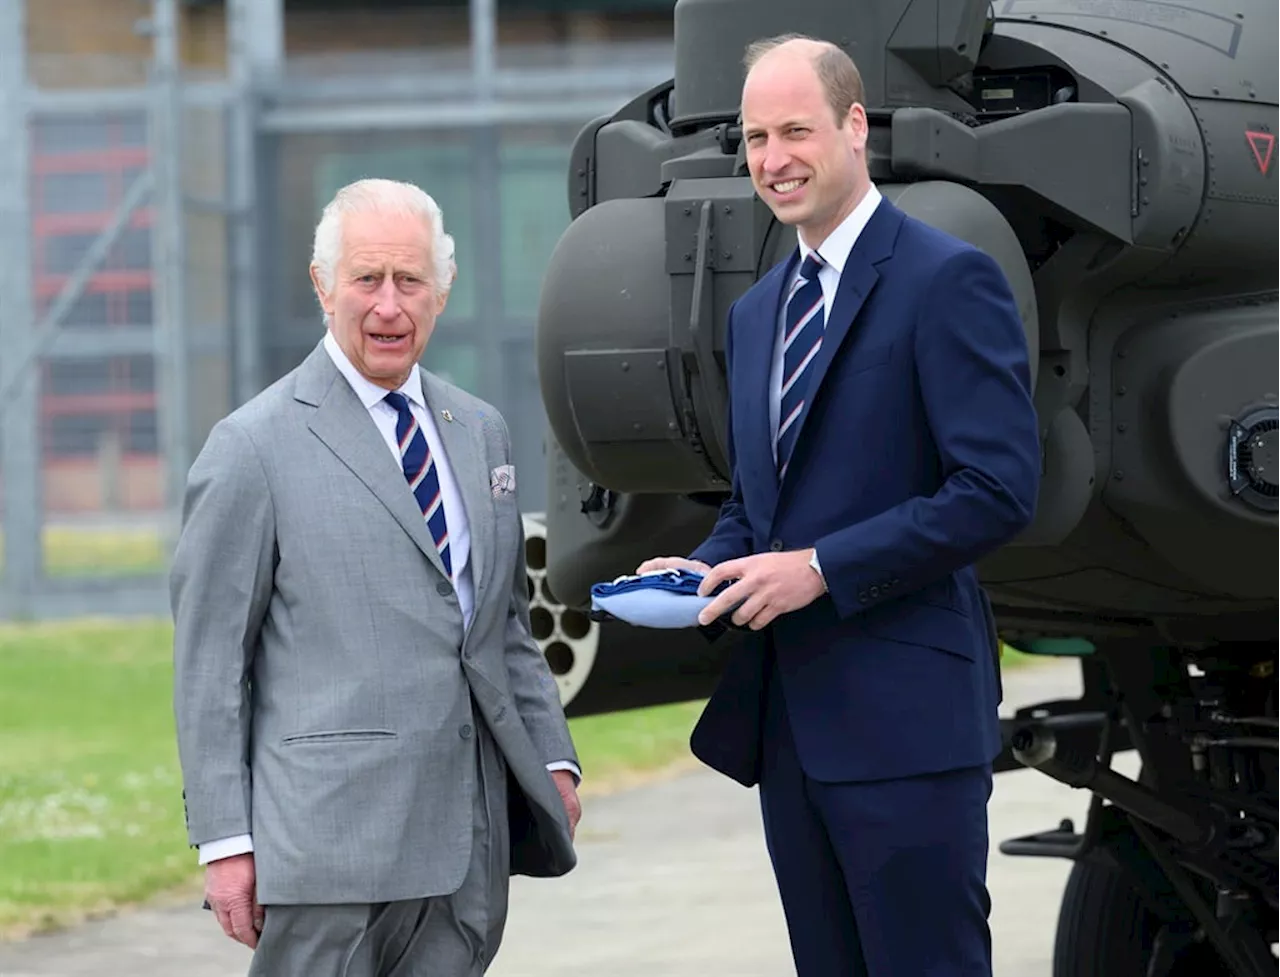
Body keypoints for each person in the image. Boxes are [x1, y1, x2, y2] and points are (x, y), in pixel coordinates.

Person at [637, 34, 1041, 977]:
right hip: (794, 734)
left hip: (907, 726)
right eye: (753, 137)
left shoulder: (947, 279)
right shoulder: (757, 310)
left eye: (793, 131)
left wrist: (821, 568)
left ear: (855, 127)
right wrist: (703, 569)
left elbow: (997, 489)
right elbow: (761, 505)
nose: (771, 159)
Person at [171, 177, 582, 977]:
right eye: (367, 279)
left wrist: (552, 760)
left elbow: (501, 626)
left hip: (467, 845)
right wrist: (226, 843)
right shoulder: (250, 447)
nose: (389, 305)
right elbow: (209, 666)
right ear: (324, 285)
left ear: (442, 289)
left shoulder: (481, 432)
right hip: (327, 855)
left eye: (410, 280)